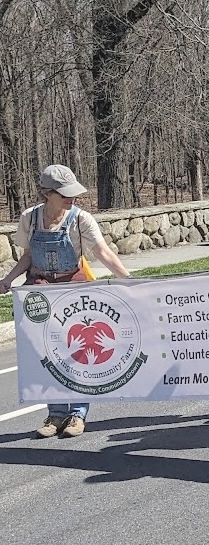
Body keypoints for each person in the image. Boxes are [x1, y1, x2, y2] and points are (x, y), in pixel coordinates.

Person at [0, 164, 132, 438]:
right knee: (47, 352)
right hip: (40, 289)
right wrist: (8, 279)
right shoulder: (30, 218)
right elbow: (27, 256)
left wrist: (128, 280)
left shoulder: (81, 218)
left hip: (73, 286)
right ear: (46, 193)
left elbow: (102, 252)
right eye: (64, 194)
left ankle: (77, 414)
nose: (72, 198)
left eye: (73, 193)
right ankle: (55, 414)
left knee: (80, 351)